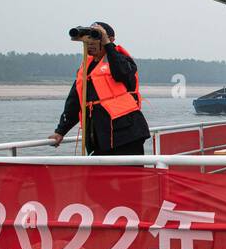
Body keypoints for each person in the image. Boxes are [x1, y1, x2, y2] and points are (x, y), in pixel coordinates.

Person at [48, 22, 150, 155]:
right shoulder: (85, 69)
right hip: (98, 137)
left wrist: (107, 44)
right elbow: (75, 103)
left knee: (129, 174)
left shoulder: (122, 60)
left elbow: (122, 73)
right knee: (100, 173)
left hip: (127, 134)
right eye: (88, 39)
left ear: (111, 40)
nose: (91, 43)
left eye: (96, 38)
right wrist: (60, 131)